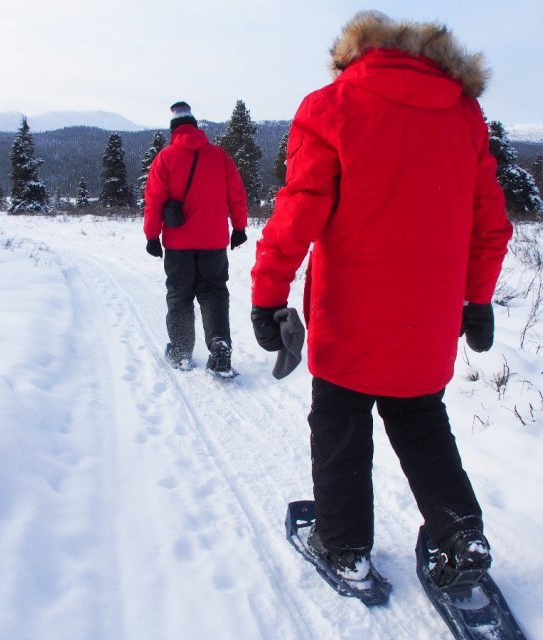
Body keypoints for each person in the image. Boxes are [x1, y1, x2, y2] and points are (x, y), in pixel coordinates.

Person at [250, 11, 513, 584]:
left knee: (341, 424)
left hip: (350, 317)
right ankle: (459, 534)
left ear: (353, 54)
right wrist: (477, 300)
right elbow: (490, 224)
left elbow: (297, 215)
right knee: (421, 422)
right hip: (428, 321)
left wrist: (268, 294)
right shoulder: (463, 115)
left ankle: (343, 546)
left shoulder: (331, 106)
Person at [144, 102, 248, 375]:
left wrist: (152, 236)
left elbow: (154, 201)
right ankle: (219, 345)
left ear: (174, 130)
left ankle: (180, 353)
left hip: (178, 244)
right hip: (213, 243)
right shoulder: (220, 157)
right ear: (196, 127)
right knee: (213, 293)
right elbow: (237, 194)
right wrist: (239, 228)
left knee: (179, 296)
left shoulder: (165, 158)